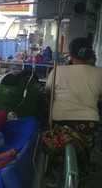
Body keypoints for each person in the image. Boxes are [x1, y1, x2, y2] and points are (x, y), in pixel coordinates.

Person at [45, 37, 102, 172]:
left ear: (70, 54)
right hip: (88, 124)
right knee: (85, 154)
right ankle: (82, 172)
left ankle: (54, 173)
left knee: (56, 150)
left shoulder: (57, 70)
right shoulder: (99, 73)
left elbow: (48, 93)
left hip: (60, 120)